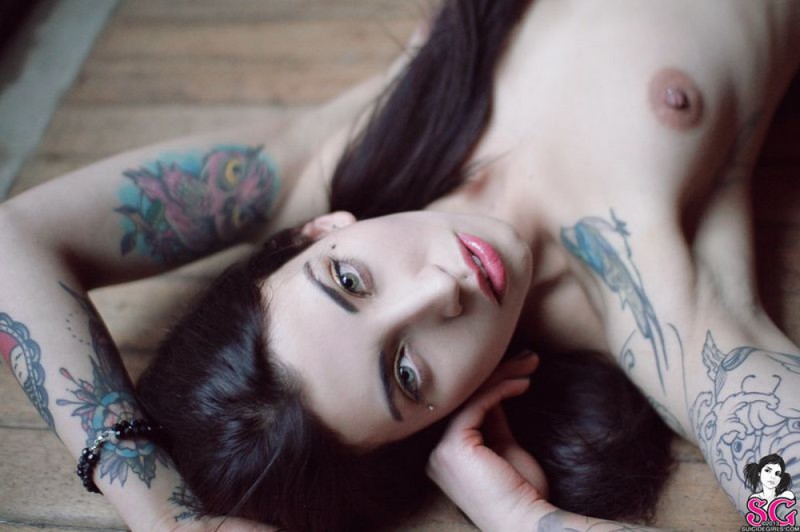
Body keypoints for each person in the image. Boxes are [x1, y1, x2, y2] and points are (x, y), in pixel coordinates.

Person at [2, 0, 799, 530]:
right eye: (408, 374)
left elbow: (16, 239)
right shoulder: (655, 316)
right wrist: (522, 518)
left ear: (315, 233)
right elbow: (785, 501)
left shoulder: (342, 155)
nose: (441, 288)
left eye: (350, 281)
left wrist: (160, 511)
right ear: (447, 416)